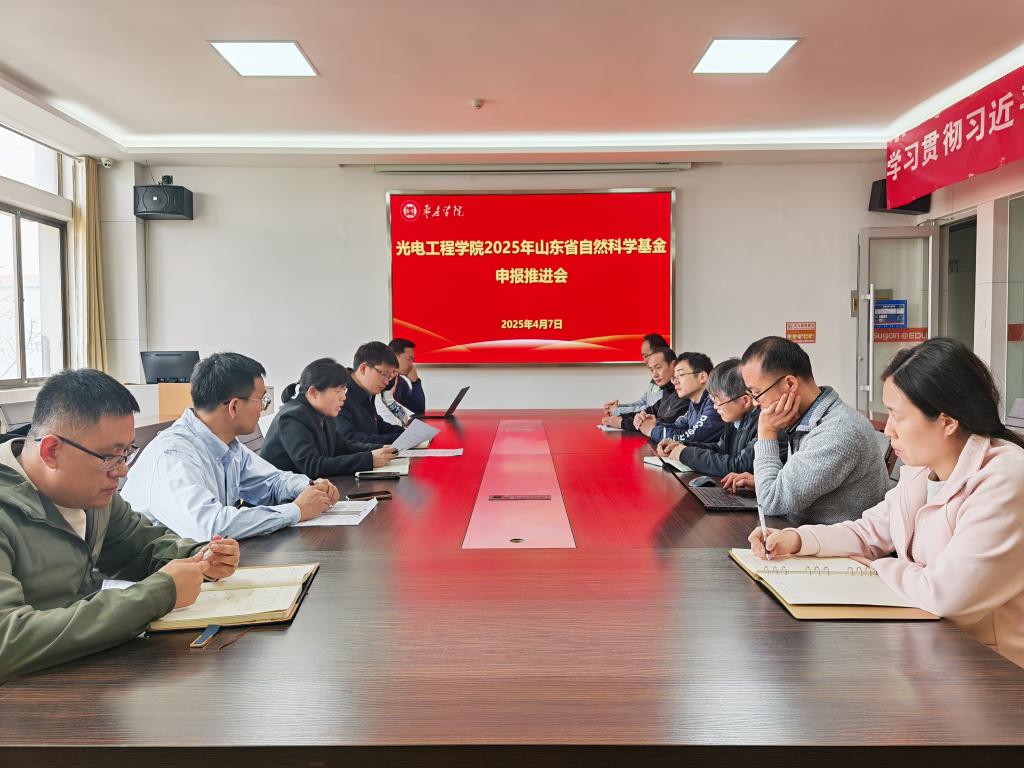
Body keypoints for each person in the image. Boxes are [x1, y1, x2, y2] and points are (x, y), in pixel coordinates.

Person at [749, 337, 1024, 668]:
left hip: (994, 668)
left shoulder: (1005, 478)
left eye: (898, 416)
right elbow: (869, 532)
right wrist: (797, 539)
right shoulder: (922, 469)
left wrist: (874, 567)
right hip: (936, 648)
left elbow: (945, 595)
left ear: (947, 421)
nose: (888, 429)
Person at [0, 369, 240, 683]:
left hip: (83, 675)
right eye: (109, 456)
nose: (122, 470)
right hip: (24, 697)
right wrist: (157, 595)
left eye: (126, 452)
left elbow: (141, 547)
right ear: (51, 451)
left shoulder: (94, 497)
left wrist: (201, 556)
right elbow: (7, 642)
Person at [122, 352, 338, 540]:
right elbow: (211, 527)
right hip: (159, 571)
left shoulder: (229, 445)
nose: (263, 409)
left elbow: (272, 482)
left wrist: (309, 487)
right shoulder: (173, 455)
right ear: (234, 407)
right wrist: (296, 511)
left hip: (201, 563)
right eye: (262, 401)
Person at [726, 336, 888, 524]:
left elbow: (771, 502)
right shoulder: (809, 418)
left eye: (757, 393)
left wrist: (766, 431)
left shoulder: (837, 432)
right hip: (804, 532)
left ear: (790, 384)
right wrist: (764, 484)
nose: (755, 403)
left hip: (832, 541)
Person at [262, 358, 399, 477]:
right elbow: (313, 466)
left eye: (344, 390)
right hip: (282, 497)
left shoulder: (322, 413)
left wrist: (381, 448)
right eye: (338, 391)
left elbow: (343, 446)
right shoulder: (293, 417)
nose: (343, 397)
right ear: (313, 392)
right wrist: (369, 459)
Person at [656, 358, 760, 476]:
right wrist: (680, 444)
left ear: (745, 401)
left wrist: (685, 453)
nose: (715, 407)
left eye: (718, 401)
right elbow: (720, 449)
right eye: (713, 400)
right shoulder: (735, 419)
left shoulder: (762, 424)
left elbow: (740, 466)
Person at [647, 352, 726, 446]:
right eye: (674, 377)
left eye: (681, 375)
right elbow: (678, 427)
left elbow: (691, 438)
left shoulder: (715, 403)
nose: (675, 382)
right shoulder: (694, 403)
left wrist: (651, 430)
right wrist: (653, 423)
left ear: (702, 377)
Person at [337, 342, 406, 444]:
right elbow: (349, 439)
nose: (387, 382)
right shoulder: (340, 394)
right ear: (363, 368)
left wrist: (406, 434)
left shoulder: (365, 391)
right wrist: (399, 439)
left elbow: (377, 426)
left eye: (389, 377)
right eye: (384, 375)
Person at [614, 347, 689, 434]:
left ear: (673, 365)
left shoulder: (684, 393)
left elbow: (663, 424)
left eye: (658, 368)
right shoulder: (667, 390)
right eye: (651, 370)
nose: (654, 375)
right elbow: (650, 410)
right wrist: (620, 416)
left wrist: (621, 422)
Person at [602, 333, 670, 418]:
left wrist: (618, 411)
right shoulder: (655, 379)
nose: (644, 361)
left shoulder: (670, 383)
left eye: (645, 356)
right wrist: (618, 407)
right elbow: (643, 402)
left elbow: (652, 410)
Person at [389, 338, 426, 415]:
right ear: (394, 356)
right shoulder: (379, 380)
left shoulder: (401, 382)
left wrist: (415, 381)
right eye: (409, 359)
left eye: (412, 360)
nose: (411, 365)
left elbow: (418, 409)